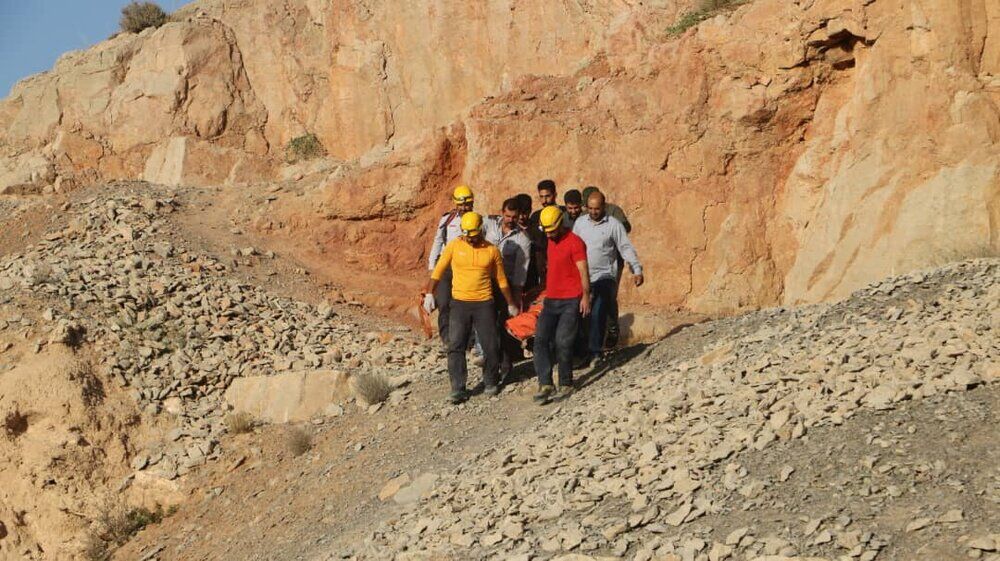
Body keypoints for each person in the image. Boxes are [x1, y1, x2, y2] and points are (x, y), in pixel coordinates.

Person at [424, 212, 520, 403]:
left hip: (484, 304)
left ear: (481, 231)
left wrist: (511, 303)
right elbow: (438, 269)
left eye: (474, 235)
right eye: (467, 235)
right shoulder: (454, 246)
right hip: (459, 304)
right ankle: (458, 388)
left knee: (491, 345)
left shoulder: (491, 251)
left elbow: (501, 280)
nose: (470, 238)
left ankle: (491, 381)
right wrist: (429, 293)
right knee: (456, 345)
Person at [572, 191, 643, 366]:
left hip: (604, 275)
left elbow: (625, 247)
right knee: (579, 313)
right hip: (583, 276)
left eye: (597, 208)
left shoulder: (614, 225)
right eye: (590, 208)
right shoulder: (580, 223)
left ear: (604, 207)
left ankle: (596, 352)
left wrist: (636, 269)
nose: (594, 212)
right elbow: (572, 247)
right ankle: (581, 353)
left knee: (598, 310)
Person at [533, 205, 590, 405]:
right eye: (546, 231)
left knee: (562, 341)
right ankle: (545, 383)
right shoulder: (548, 240)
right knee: (540, 340)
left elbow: (583, 270)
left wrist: (585, 297)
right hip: (551, 300)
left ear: (561, 223)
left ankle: (566, 382)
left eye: (552, 230)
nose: (549, 234)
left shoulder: (575, 243)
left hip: (571, 300)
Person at [485, 198, 532, 380]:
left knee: (504, 327)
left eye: (514, 216)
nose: (510, 219)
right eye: (507, 215)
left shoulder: (523, 240)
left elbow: (522, 271)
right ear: (501, 212)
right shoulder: (488, 224)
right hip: (485, 284)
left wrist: (515, 298)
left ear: (519, 216)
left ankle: (506, 366)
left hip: (506, 288)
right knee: (488, 326)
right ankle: (490, 365)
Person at [580, 186, 631, 347]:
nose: (591, 211)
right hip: (588, 263)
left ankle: (612, 328)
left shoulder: (613, 212)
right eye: (589, 207)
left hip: (610, 263)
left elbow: (625, 228)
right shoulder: (584, 217)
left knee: (608, 297)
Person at [426, 185, 476, 344]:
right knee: (444, 301)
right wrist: (432, 266)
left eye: (467, 204)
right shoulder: (447, 219)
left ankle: (469, 339)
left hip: (468, 268)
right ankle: (446, 338)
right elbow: (438, 241)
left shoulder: (477, 219)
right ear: (455, 203)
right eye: (461, 204)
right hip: (447, 266)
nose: (464, 207)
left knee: (466, 303)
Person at [527, 180, 561, 290]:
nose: (544, 200)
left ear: (555, 195)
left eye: (547, 196)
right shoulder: (535, 217)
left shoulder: (563, 214)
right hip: (541, 267)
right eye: (541, 197)